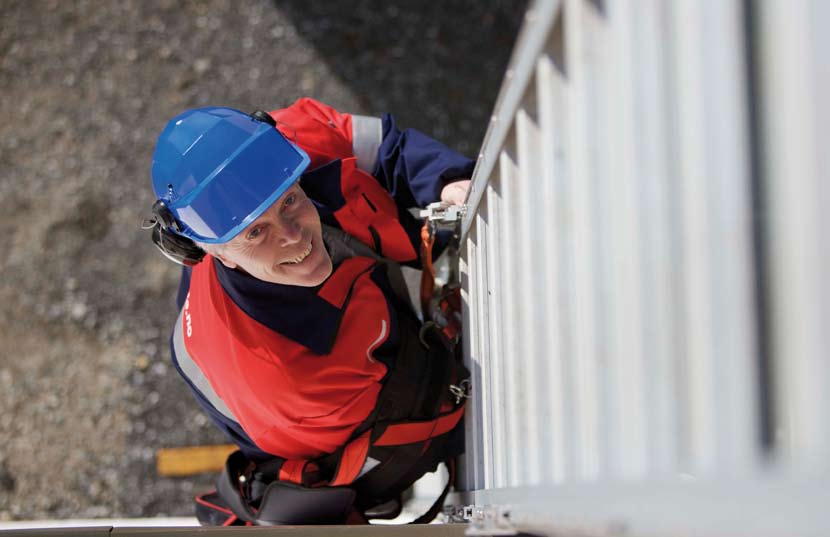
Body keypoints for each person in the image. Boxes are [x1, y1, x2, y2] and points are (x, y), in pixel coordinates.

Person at [145, 98, 473, 525]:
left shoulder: (275, 148)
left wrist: (444, 180)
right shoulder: (301, 379)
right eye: (257, 231)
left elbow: (382, 145)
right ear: (208, 253)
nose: (294, 237)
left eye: (290, 202)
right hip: (288, 410)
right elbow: (411, 416)